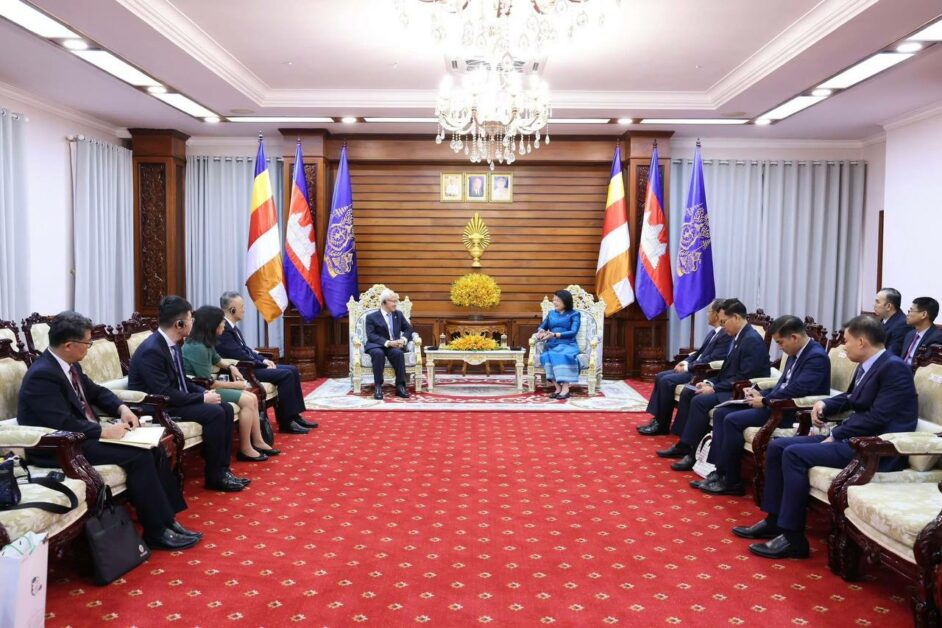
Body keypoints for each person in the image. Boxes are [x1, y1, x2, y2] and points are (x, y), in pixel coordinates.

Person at [734, 315, 917, 559]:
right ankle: (774, 520)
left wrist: (836, 433)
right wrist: (825, 404)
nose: (843, 347)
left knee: (794, 454)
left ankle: (793, 538)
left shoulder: (894, 368)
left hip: (875, 449)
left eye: (847, 341)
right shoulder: (871, 364)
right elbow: (852, 398)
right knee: (778, 446)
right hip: (855, 438)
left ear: (862, 342)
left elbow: (878, 417)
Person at [18, 311, 200, 550]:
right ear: (69, 345)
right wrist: (103, 431)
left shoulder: (68, 365)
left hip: (82, 436)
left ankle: (168, 520)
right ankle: (156, 531)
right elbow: (62, 423)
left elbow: (97, 392)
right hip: (60, 447)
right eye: (87, 343)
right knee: (138, 456)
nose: (89, 347)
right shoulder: (42, 375)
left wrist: (122, 408)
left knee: (153, 447)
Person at [698, 315, 831, 496]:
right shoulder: (796, 351)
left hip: (791, 411)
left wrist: (765, 400)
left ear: (794, 337)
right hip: (777, 403)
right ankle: (720, 471)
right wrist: (761, 393)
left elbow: (798, 390)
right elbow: (782, 385)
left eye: (780, 342)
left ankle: (731, 481)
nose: (779, 347)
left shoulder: (816, 357)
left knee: (732, 420)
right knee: (722, 412)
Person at [129, 296, 247, 493]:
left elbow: (182, 380)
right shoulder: (152, 350)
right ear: (179, 324)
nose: (194, 322)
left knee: (225, 408)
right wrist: (202, 398)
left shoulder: (173, 343)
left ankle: (222, 471)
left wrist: (202, 391)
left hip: (173, 399)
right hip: (156, 406)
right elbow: (164, 392)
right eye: (191, 318)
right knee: (216, 413)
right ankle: (215, 476)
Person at [657, 298, 771, 471]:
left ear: (736, 318)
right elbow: (727, 369)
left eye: (724, 322)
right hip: (729, 385)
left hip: (741, 391)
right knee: (691, 391)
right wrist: (709, 382)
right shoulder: (738, 336)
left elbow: (744, 377)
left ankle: (692, 452)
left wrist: (714, 388)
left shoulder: (751, 340)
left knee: (700, 401)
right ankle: (685, 444)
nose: (723, 326)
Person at [183, 305, 280, 463]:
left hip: (207, 386)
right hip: (200, 391)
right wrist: (237, 386)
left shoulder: (206, 342)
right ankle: (246, 449)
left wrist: (231, 367)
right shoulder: (197, 348)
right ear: (212, 325)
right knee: (247, 399)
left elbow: (217, 360)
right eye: (221, 321)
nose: (224, 324)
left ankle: (258, 441)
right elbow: (208, 383)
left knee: (252, 397)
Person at [216, 292, 316, 434]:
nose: (244, 309)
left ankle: (295, 416)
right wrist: (262, 364)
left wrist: (263, 359)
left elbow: (246, 349)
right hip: (244, 370)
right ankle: (286, 422)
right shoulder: (224, 329)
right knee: (286, 375)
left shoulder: (232, 327)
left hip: (250, 365)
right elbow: (239, 355)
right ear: (232, 309)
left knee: (292, 369)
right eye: (242, 306)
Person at [638, 298, 731, 435]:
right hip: (694, 367)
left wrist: (688, 368)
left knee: (666, 381)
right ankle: (657, 419)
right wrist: (685, 362)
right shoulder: (713, 332)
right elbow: (699, 353)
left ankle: (662, 425)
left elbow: (712, 359)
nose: (707, 314)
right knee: (660, 376)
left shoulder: (725, 335)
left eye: (708, 311)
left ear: (717, 315)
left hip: (701, 372)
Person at [364, 288, 414, 400]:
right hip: (377, 345)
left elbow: (408, 329)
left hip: (393, 346)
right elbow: (371, 335)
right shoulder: (371, 317)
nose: (395, 304)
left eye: (396, 301)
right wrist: (388, 343)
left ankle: (400, 386)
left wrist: (403, 340)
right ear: (384, 302)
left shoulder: (398, 314)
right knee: (378, 354)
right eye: (393, 301)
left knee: (398, 354)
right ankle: (378, 386)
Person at [535, 289, 582, 400]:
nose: (555, 302)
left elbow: (573, 332)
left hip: (568, 344)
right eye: (554, 300)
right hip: (552, 344)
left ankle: (565, 388)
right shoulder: (551, 314)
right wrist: (541, 333)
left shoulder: (574, 314)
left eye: (558, 300)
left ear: (566, 301)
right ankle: (557, 388)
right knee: (545, 356)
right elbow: (542, 326)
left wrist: (555, 335)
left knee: (561, 355)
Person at [901, 297, 942, 365]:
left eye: (911, 311)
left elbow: (925, 366)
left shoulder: (937, 338)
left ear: (924, 315)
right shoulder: (910, 334)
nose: (907, 314)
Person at [873, 287, 912, 356]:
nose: (874, 305)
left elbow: (892, 354)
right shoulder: (882, 319)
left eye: (877, 302)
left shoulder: (902, 325)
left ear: (888, 306)